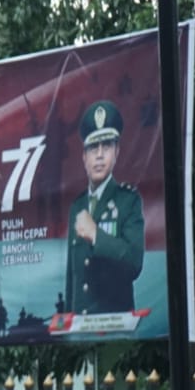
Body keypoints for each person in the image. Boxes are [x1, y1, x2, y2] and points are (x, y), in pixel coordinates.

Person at [64, 100, 144, 316]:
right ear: (84, 157)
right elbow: (72, 278)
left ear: (117, 151)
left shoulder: (128, 201)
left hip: (115, 327)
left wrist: (96, 236)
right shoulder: (77, 206)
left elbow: (134, 263)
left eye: (106, 146)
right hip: (81, 328)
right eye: (93, 147)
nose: (99, 155)